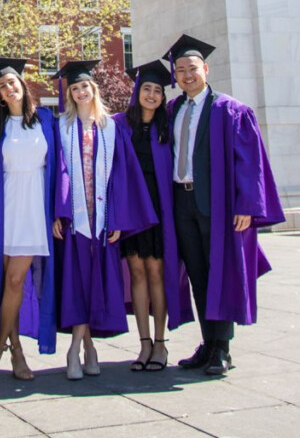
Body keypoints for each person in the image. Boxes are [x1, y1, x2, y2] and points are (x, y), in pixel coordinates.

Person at [164, 33, 285, 376]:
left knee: (221, 272)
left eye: (192, 68)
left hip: (217, 206)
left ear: (206, 68)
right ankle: (207, 343)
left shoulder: (231, 110)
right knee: (199, 276)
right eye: (180, 70)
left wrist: (247, 205)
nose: (186, 75)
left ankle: (222, 349)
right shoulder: (172, 109)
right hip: (181, 202)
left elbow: (249, 163)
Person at [53, 61, 158, 379]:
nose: (80, 91)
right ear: (70, 94)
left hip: (102, 219)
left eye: (84, 86)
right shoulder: (62, 126)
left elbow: (122, 176)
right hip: (75, 221)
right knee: (78, 285)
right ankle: (81, 349)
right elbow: (58, 172)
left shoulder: (111, 127)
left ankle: (83, 349)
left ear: (93, 89)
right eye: (74, 88)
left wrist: (118, 218)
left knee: (94, 285)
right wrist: (59, 210)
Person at [0, 57, 56, 381]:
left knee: (15, 280)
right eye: (1, 87)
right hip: (5, 208)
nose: (8, 89)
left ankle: (0, 351)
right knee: (6, 281)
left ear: (23, 84)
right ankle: (16, 350)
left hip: (34, 209)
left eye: (12, 83)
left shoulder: (46, 121)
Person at [117, 60, 193, 371]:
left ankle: (161, 345)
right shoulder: (121, 125)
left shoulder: (168, 127)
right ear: (137, 92)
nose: (151, 94)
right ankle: (144, 344)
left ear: (163, 97)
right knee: (137, 275)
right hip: (132, 212)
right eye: (146, 89)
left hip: (160, 212)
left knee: (157, 276)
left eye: (157, 91)